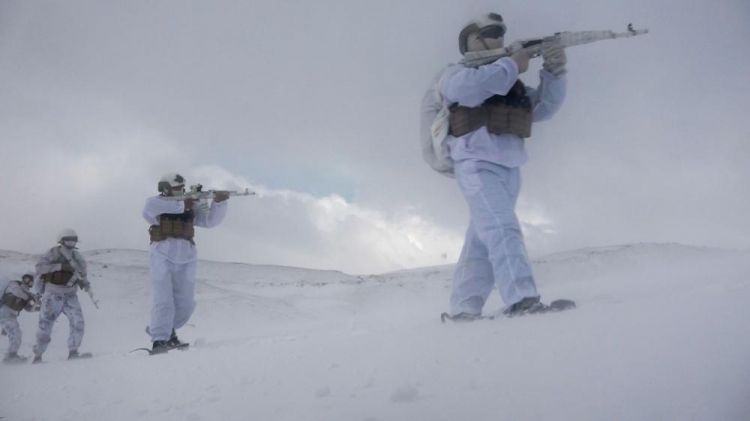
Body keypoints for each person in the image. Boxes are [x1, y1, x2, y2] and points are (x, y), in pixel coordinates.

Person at [439, 13, 568, 320]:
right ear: (472, 41)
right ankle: (522, 299)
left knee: (482, 240)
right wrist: (512, 63)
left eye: (500, 33)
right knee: (501, 227)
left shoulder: (510, 81)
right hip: (476, 164)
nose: (498, 38)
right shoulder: (456, 75)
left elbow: (544, 108)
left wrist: (555, 71)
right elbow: (469, 91)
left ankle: (464, 309)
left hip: (510, 166)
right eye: (491, 33)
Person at [142, 173, 230, 353]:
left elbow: (209, 221)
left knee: (186, 304)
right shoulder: (155, 202)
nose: (181, 191)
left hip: (187, 255)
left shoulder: (190, 204)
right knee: (163, 299)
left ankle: (167, 331)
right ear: (166, 189)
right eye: (176, 188)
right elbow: (149, 210)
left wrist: (218, 202)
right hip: (162, 253)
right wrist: (184, 203)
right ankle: (159, 339)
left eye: (182, 188)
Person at [32, 229, 92, 362]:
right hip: (52, 294)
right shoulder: (52, 253)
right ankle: (38, 355)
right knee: (45, 325)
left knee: (78, 322)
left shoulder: (77, 257)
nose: (71, 242)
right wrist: (60, 266)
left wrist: (84, 283)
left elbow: (82, 273)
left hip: (70, 294)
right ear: (62, 240)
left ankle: (73, 351)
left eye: (73, 239)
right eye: (68, 239)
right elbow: (40, 268)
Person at [1, 274, 39, 363]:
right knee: (15, 333)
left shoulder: (26, 294)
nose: (27, 281)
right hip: (4, 311)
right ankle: (11, 355)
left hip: (11, 315)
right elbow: (17, 292)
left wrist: (37, 305)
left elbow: (29, 309)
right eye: (26, 279)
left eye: (30, 280)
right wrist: (30, 296)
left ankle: (12, 355)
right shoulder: (14, 284)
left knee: (17, 334)